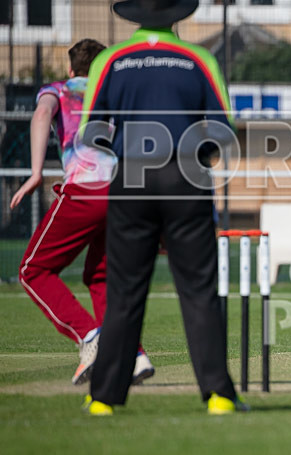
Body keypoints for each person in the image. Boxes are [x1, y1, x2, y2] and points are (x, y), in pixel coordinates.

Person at [79, 0, 242, 415]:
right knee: (199, 289)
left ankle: (103, 399)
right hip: (185, 175)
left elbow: (90, 132)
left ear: (132, 15)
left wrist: (124, 150)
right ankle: (219, 395)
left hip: (131, 177)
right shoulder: (197, 58)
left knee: (125, 292)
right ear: (177, 14)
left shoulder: (112, 60)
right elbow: (223, 132)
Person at [10, 39, 155, 387]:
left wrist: (35, 172)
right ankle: (133, 356)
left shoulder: (60, 89)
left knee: (33, 270)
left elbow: (43, 113)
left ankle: (91, 336)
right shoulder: (117, 91)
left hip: (84, 190)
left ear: (71, 69)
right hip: (125, 194)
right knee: (101, 276)